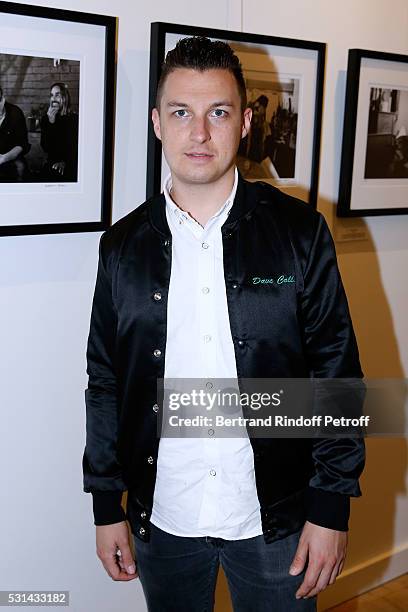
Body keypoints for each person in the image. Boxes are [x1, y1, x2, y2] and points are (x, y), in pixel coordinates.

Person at [83, 37, 365, 611]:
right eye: (182, 112)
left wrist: (331, 505)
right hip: (164, 518)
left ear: (244, 122)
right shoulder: (121, 247)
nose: (200, 133)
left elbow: (337, 372)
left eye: (219, 112)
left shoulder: (299, 233)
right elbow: (105, 382)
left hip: (277, 521)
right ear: (158, 123)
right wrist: (105, 504)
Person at [40, 82, 78, 181]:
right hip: (52, 162)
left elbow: (74, 148)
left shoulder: (74, 119)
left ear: (65, 98)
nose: (54, 99)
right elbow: (46, 147)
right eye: (52, 95)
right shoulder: (46, 119)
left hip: (71, 162)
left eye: (57, 95)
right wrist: (51, 123)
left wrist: (65, 162)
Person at [0, 86, 30, 182]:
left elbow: (22, 143)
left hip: (11, 156)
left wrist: (4, 158)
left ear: (2, 98)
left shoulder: (15, 112)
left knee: (20, 168)